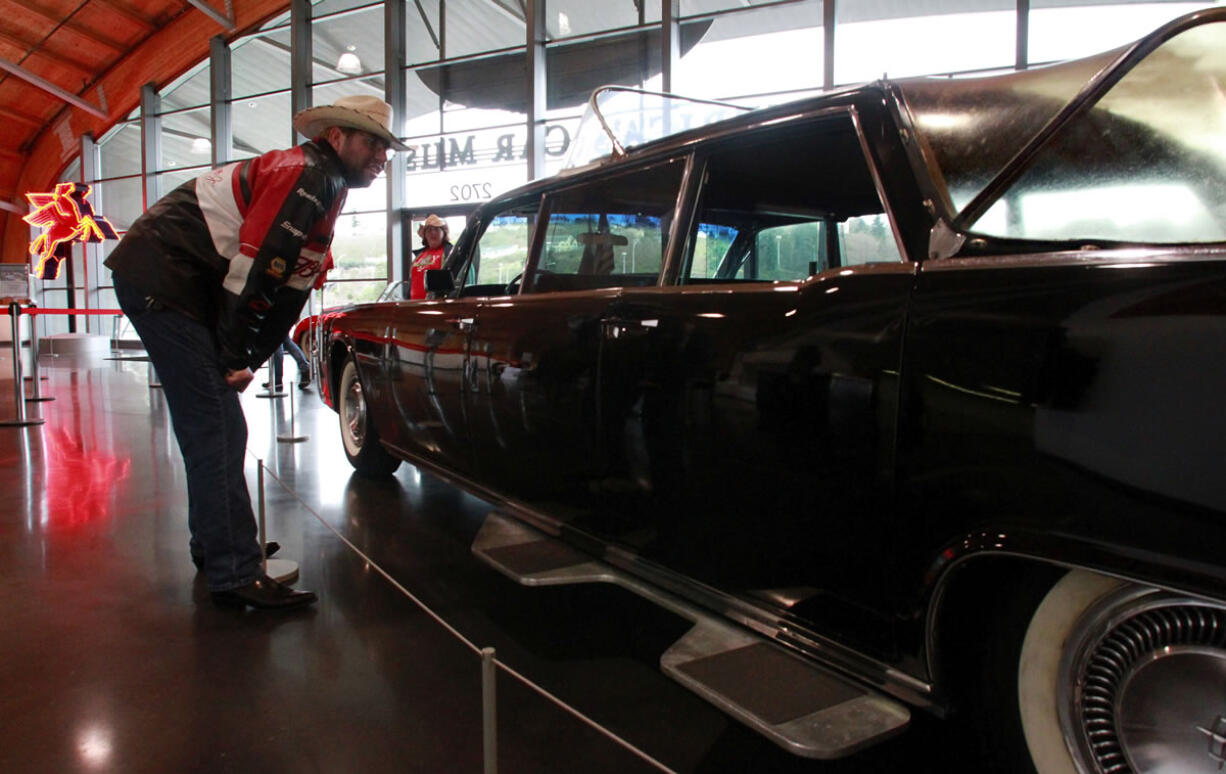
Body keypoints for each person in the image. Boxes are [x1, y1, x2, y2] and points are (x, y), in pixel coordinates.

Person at [105, 95, 406, 610]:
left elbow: (288, 293)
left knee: (214, 424)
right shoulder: (309, 175)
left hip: (172, 282)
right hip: (165, 279)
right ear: (336, 136)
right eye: (372, 142)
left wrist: (248, 358)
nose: (381, 156)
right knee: (218, 428)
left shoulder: (326, 185)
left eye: (386, 147)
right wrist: (231, 356)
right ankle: (233, 570)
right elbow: (255, 271)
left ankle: (220, 546)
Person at [409, 213, 452, 299]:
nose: (433, 232)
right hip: (414, 307)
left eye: (437, 229)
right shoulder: (419, 255)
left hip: (437, 307)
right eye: (429, 230)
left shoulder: (450, 253)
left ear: (444, 233)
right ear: (424, 235)